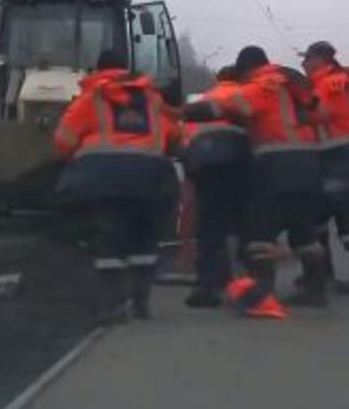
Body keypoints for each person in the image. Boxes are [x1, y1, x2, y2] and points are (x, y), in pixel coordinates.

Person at [185, 46, 327, 314]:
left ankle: (261, 298)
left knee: (259, 232)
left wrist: (185, 111)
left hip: (278, 166)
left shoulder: (262, 86)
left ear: (248, 68)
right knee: (304, 230)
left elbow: (223, 106)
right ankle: (316, 288)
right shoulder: (293, 85)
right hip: (310, 165)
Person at [53, 50, 179, 322]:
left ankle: (111, 305)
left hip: (103, 179)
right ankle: (141, 302)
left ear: (98, 70)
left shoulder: (93, 97)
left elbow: (63, 140)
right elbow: (174, 134)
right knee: (145, 238)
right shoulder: (151, 99)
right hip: (150, 178)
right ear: (127, 69)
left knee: (110, 238)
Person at [301, 41, 349, 288]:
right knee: (318, 215)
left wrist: (291, 114)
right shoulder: (324, 82)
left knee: (347, 214)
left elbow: (323, 114)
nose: (303, 63)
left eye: (307, 58)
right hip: (336, 156)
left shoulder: (332, 82)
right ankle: (324, 274)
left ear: (321, 59)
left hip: (344, 156)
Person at [180, 66, 252, 308]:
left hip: (205, 163)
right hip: (239, 162)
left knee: (210, 226)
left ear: (218, 80)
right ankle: (245, 285)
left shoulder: (207, 99)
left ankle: (208, 287)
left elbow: (187, 137)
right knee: (241, 223)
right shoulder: (247, 96)